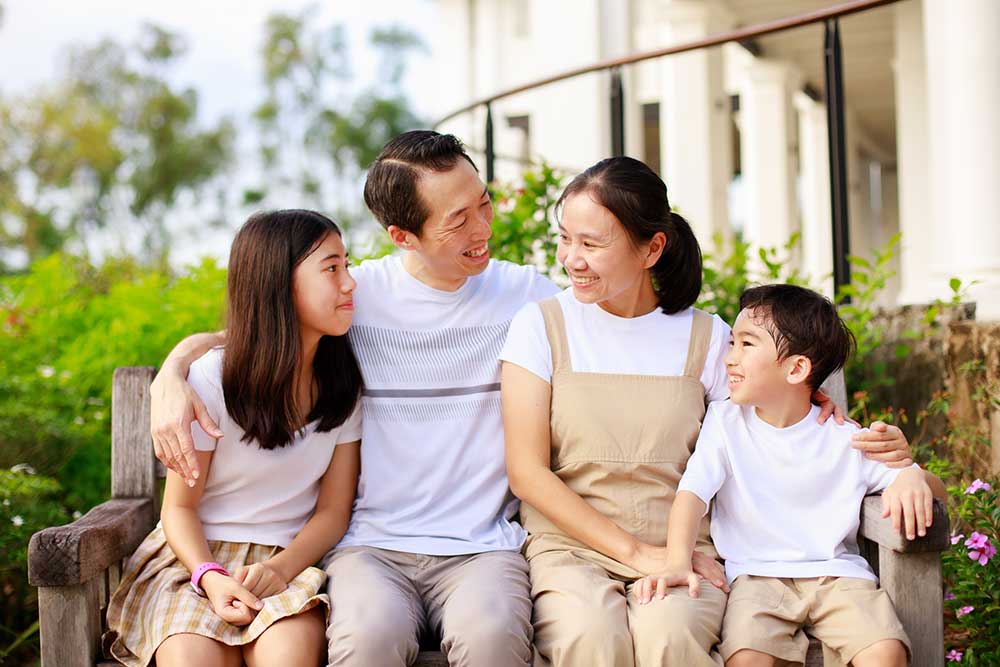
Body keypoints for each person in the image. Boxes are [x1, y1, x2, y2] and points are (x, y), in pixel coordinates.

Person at [148, 134, 913, 666]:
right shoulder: (356, 298)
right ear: (401, 235)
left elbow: (644, 326)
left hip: (488, 545)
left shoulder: (530, 296)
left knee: (510, 640)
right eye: (461, 218)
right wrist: (170, 376)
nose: (485, 227)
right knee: (371, 640)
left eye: (484, 203)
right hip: (382, 543)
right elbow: (254, 328)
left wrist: (828, 417)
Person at [497, 157, 916, 667]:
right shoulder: (540, 327)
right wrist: (635, 553)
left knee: (671, 638)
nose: (571, 259)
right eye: (566, 239)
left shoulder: (709, 338)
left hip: (684, 545)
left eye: (592, 244)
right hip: (570, 549)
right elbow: (527, 472)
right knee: (590, 639)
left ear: (652, 248)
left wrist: (815, 404)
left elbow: (760, 420)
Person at [634, 284, 947, 667]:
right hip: (755, 579)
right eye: (732, 343)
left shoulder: (844, 437)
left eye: (746, 346)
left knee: (886, 652)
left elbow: (935, 489)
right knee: (747, 658)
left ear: (796, 368)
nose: (730, 359)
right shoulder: (726, 423)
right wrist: (677, 561)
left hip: (839, 579)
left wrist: (912, 475)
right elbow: (692, 494)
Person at [104, 209, 363, 667]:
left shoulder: (342, 383)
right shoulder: (212, 381)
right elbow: (179, 508)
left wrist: (280, 571)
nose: (349, 283)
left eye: (347, 264)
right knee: (190, 658)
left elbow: (333, 510)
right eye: (331, 268)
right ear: (279, 284)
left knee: (288, 657)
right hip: (192, 561)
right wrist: (211, 576)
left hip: (289, 561)